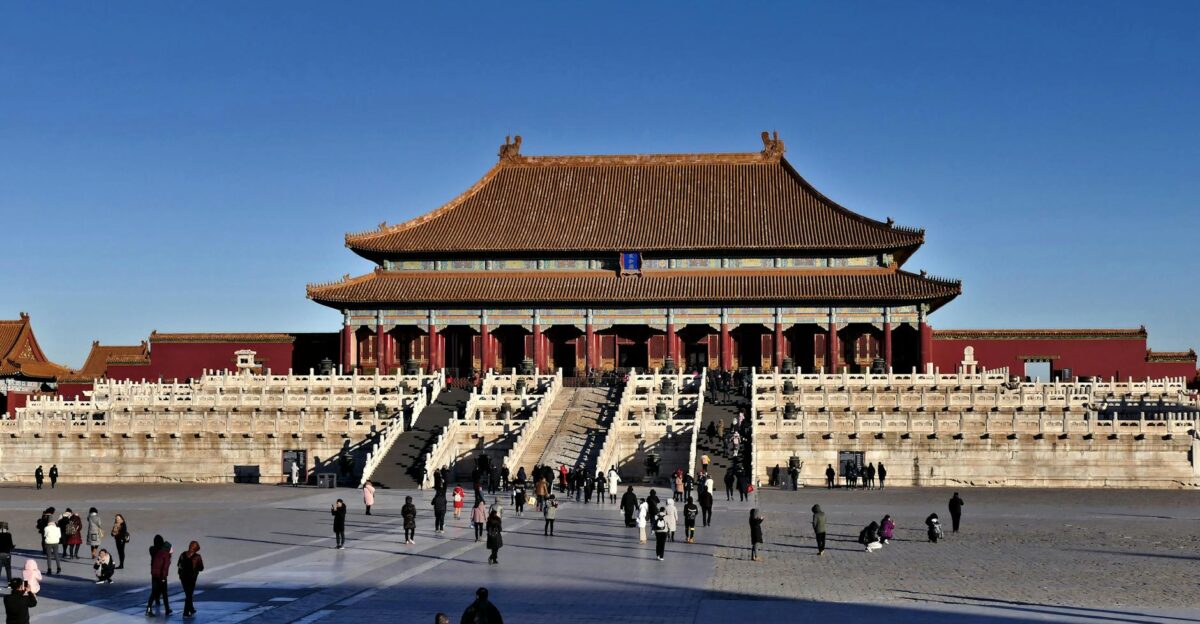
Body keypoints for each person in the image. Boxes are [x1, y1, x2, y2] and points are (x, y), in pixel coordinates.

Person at [145, 538, 173, 617]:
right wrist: (164, 578)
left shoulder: (155, 551)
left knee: (154, 592)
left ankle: (149, 608)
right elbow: (165, 568)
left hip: (154, 574)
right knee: (164, 592)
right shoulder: (165, 554)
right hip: (161, 575)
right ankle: (166, 609)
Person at [177, 541, 203, 617]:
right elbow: (201, 568)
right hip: (192, 578)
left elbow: (179, 564)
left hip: (183, 577)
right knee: (189, 594)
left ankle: (191, 608)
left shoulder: (182, 554)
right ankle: (185, 611)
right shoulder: (197, 556)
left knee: (188, 593)